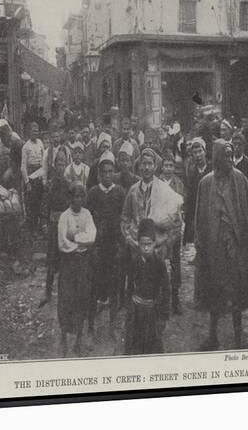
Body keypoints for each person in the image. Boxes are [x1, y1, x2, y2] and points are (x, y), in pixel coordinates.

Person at [194, 139, 248, 350]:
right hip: (214, 250)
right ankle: (213, 337)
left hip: (235, 250)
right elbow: (199, 219)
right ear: (217, 158)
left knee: (236, 295)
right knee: (214, 293)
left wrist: (246, 246)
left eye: (232, 155)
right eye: (226, 156)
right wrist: (200, 245)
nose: (230, 160)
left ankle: (238, 340)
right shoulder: (206, 183)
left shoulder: (241, 180)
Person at [86, 151, 126, 337]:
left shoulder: (119, 192)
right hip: (98, 248)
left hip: (114, 247)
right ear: (99, 174)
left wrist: (121, 246)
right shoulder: (93, 193)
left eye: (111, 171)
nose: (108, 175)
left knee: (114, 289)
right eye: (104, 172)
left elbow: (124, 220)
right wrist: (92, 248)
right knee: (94, 288)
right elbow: (87, 221)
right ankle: (92, 326)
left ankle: (112, 327)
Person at [121, 147, 182, 262]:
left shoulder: (164, 190)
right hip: (137, 247)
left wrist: (165, 245)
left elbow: (177, 221)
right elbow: (125, 218)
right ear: (139, 166)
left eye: (150, 164)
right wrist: (130, 239)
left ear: (155, 166)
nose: (147, 168)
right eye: (144, 164)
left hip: (157, 249)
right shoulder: (133, 191)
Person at [57, 183, 97, 356]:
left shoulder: (87, 214)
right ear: (69, 198)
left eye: (81, 196)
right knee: (67, 299)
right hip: (68, 262)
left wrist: (74, 237)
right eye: (75, 196)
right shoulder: (64, 217)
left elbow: (92, 236)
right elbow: (62, 242)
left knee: (82, 298)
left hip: (83, 263)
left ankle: (79, 340)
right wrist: (81, 243)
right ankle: (64, 338)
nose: (78, 200)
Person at [124, 218, 170, 355]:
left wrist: (163, 317)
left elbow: (166, 290)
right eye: (143, 244)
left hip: (152, 312)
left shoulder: (159, 264)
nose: (146, 248)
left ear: (154, 244)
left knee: (152, 348)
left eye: (149, 244)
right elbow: (129, 288)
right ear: (138, 244)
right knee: (134, 348)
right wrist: (129, 310)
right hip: (137, 312)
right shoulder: (134, 262)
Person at [39, 150, 71, 307]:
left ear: (66, 165)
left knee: (64, 257)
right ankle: (47, 292)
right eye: (58, 163)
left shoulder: (67, 184)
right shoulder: (51, 184)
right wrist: (45, 223)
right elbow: (44, 204)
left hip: (63, 225)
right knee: (51, 259)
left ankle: (64, 292)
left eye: (63, 163)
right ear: (54, 164)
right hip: (52, 224)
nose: (61, 166)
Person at [159, 151, 185, 314]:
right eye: (165, 165)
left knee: (175, 263)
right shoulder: (157, 183)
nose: (168, 168)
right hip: (160, 228)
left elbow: (181, 205)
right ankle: (161, 298)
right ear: (161, 167)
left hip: (174, 228)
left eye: (171, 165)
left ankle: (175, 299)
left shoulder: (178, 183)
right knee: (160, 261)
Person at [183, 137, 210, 245]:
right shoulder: (191, 172)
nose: (198, 155)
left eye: (200, 151)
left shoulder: (212, 170)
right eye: (195, 152)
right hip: (195, 213)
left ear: (205, 152)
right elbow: (189, 195)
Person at [21, 122, 44, 234]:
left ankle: (40, 228)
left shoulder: (40, 143)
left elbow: (43, 160)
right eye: (33, 131)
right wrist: (27, 182)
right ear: (29, 132)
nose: (35, 133)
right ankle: (32, 229)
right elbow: (23, 167)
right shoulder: (26, 146)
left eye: (36, 131)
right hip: (31, 176)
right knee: (32, 204)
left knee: (41, 202)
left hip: (40, 175)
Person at [0, 119, 24, 190]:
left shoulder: (14, 136)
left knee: (8, 178)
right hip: (4, 162)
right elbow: (1, 153)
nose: (1, 130)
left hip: (15, 163)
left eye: (3, 128)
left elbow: (20, 151)